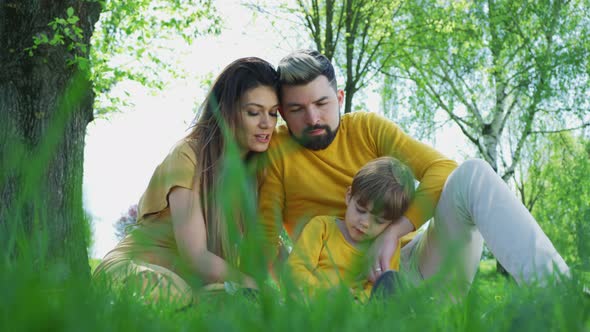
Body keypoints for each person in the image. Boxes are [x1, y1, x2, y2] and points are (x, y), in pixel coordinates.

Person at [259, 49, 569, 298]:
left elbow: (442, 168)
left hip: (414, 264)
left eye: (322, 103)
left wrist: (393, 233)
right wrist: (301, 298)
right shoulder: (277, 151)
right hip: (342, 287)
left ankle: (562, 298)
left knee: (472, 174)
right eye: (297, 109)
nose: (313, 117)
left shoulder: (366, 128)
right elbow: (266, 241)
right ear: (283, 113)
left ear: (339, 99)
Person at [93, 57, 280, 305]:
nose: (266, 123)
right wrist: (256, 287)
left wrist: (306, 288)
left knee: (236, 304)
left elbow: (270, 245)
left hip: (194, 288)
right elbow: (196, 256)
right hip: (135, 271)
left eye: (274, 113)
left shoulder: (257, 174)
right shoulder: (189, 155)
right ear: (227, 111)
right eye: (254, 112)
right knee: (180, 296)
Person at [285, 157, 415, 302]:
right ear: (349, 196)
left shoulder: (385, 248)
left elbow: (378, 289)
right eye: (360, 210)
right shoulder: (322, 227)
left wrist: (353, 302)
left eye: (379, 221)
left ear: (391, 223)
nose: (365, 223)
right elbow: (295, 269)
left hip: (355, 315)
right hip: (310, 306)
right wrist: (323, 293)